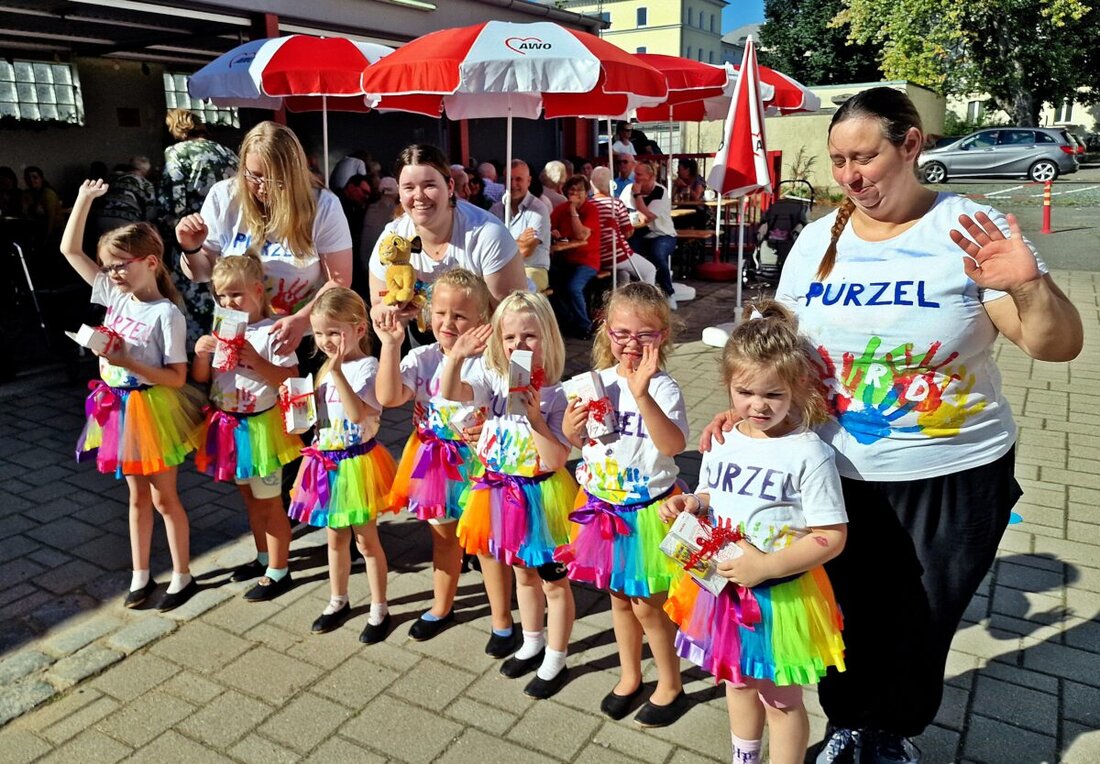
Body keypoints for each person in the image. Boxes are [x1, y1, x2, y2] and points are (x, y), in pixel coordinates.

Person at [701, 87, 1083, 764]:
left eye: (864, 157)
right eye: (839, 160)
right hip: (832, 471)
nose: (849, 175)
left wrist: (1029, 284)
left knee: (921, 619)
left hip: (950, 472)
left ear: (911, 145)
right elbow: (780, 339)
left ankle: (890, 733)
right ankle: (849, 722)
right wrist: (749, 402)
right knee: (845, 607)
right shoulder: (821, 237)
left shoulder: (967, 229)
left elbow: (1056, 345)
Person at [665, 300, 848, 764]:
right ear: (728, 386)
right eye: (746, 393)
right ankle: (744, 757)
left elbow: (831, 535)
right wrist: (692, 503)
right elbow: (710, 493)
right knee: (737, 681)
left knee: (782, 700)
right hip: (720, 588)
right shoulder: (723, 439)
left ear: (797, 389)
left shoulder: (809, 454)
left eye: (774, 395)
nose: (758, 406)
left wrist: (766, 565)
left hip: (779, 597)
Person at [61, 179, 202, 612]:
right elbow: (70, 251)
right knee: (136, 496)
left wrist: (128, 364)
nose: (113, 274)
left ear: (151, 262)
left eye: (121, 265)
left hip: (152, 405)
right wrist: (83, 200)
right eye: (108, 267)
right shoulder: (113, 295)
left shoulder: (166, 314)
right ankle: (141, 574)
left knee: (163, 497)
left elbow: (178, 378)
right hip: (116, 407)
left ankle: (183, 575)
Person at [555, 283, 690, 727]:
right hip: (602, 510)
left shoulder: (664, 388)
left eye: (645, 335)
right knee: (618, 599)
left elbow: (673, 444)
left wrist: (643, 393)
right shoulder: (594, 384)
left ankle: (670, 684)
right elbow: (579, 444)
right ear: (605, 332)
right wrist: (571, 430)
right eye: (622, 333)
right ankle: (630, 674)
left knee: (649, 605)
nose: (632, 344)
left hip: (647, 512)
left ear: (663, 336)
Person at [442, 292, 578, 699]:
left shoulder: (559, 393)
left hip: (542, 496)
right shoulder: (491, 379)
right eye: (510, 338)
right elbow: (453, 393)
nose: (519, 346)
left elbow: (555, 458)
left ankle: (557, 655)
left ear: (548, 338)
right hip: (501, 492)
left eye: (530, 337)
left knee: (553, 581)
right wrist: (456, 356)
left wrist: (535, 416)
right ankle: (531, 640)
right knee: (521, 573)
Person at [376, 269, 507, 647]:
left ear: (481, 321)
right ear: (427, 314)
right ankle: (441, 605)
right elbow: (388, 397)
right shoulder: (421, 357)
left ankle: (502, 620)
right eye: (440, 313)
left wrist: (460, 356)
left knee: (484, 544)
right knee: (443, 538)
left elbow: (468, 396)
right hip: (433, 463)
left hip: (477, 462)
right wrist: (389, 344)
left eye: (460, 316)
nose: (448, 323)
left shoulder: (488, 362)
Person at [176, 121, 353, 356]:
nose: (264, 188)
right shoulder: (224, 196)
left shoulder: (323, 205)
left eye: (276, 179)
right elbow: (201, 274)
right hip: (235, 336)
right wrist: (191, 248)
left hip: (298, 336)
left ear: (295, 173)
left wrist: (302, 319)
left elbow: (339, 281)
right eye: (255, 176)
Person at [286, 287, 397, 642]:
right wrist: (296, 410)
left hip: (356, 465)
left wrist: (336, 373)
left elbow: (358, 414)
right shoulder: (323, 370)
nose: (325, 340)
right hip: (325, 461)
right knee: (334, 539)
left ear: (359, 330)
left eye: (334, 332)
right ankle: (338, 599)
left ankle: (379, 607)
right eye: (319, 333)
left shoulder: (367, 367)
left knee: (366, 541)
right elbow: (318, 421)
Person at [191, 254, 301, 601]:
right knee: (250, 499)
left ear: (257, 290)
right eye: (221, 296)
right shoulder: (221, 329)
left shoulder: (273, 331)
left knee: (270, 503)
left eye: (235, 295)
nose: (228, 303)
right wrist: (201, 354)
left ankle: (281, 571)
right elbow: (201, 379)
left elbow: (291, 380)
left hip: (261, 427)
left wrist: (256, 360)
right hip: (229, 426)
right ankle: (264, 557)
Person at [367, 144, 527, 318]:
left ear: (450, 186)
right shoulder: (393, 238)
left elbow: (510, 317)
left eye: (429, 185)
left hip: (486, 333)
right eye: (409, 187)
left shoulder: (486, 234)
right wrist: (394, 312)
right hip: (424, 334)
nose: (419, 195)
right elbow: (378, 306)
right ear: (399, 191)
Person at [158, 108, 239, 346]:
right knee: (228, 297)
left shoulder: (176, 153)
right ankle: (227, 349)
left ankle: (201, 356)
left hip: (193, 235)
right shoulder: (227, 152)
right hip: (229, 237)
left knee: (194, 302)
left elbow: (172, 202)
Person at [548, 175, 601, 339]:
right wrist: (552, 231)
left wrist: (572, 210)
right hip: (564, 258)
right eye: (572, 190)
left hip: (587, 259)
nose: (575, 193)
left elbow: (581, 235)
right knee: (552, 286)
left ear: (587, 193)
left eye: (580, 190)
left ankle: (584, 326)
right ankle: (567, 322)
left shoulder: (591, 210)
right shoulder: (560, 209)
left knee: (573, 287)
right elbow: (547, 226)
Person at [622, 161, 677, 310]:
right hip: (638, 233)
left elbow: (647, 217)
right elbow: (621, 208)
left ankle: (668, 293)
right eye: (635, 174)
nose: (636, 178)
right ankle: (638, 292)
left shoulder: (660, 191)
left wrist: (638, 195)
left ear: (651, 176)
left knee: (657, 254)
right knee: (629, 255)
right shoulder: (628, 189)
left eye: (639, 174)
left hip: (662, 234)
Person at [490, 160, 552, 292]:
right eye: (509, 179)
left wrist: (502, 245)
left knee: (519, 291)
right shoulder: (495, 210)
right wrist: (518, 241)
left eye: (518, 179)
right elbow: (488, 247)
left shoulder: (538, 209)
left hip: (532, 269)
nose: (513, 184)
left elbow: (526, 250)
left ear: (528, 181)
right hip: (501, 268)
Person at [589, 167, 657, 286]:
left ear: (591, 184)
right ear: (611, 184)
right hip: (616, 254)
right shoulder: (615, 203)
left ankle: (620, 299)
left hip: (597, 256)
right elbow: (628, 233)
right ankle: (648, 302)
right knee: (649, 270)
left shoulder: (588, 205)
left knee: (624, 274)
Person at [91, 157, 157, 240]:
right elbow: (150, 213)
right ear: (144, 170)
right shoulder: (146, 184)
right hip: (126, 223)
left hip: (100, 220)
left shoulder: (112, 178)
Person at [22, 166, 64, 244]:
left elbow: (51, 219)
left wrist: (46, 239)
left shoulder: (48, 194)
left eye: (35, 177)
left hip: (53, 232)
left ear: (41, 178)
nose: (31, 180)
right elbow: (25, 213)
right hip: (35, 230)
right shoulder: (27, 193)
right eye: (28, 178)